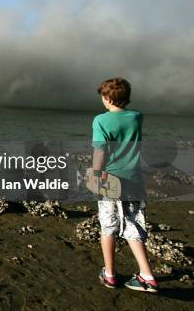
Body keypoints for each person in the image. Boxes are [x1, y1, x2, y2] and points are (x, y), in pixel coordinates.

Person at [92, 77, 158, 293]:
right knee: (133, 226)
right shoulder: (137, 117)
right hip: (135, 180)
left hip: (110, 179)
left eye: (103, 96)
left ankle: (110, 274)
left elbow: (100, 152)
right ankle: (147, 276)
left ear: (108, 98)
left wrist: (95, 175)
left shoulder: (100, 121)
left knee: (108, 226)